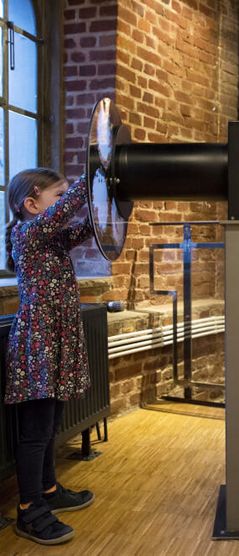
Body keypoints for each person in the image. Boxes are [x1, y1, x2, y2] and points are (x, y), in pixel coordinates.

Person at [4, 168, 95, 545]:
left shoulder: (50, 240)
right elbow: (65, 212)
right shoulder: (27, 234)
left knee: (51, 424)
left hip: (55, 342)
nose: (62, 206)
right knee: (36, 432)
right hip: (37, 346)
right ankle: (29, 509)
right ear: (31, 203)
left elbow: (90, 227)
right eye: (56, 197)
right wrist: (93, 177)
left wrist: (119, 196)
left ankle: (49, 490)